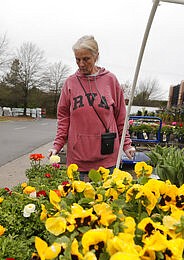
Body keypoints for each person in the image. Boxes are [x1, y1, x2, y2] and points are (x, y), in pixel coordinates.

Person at [48, 35, 135, 180]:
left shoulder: (110, 80)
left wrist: (126, 145)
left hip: (107, 159)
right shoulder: (70, 83)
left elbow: (121, 117)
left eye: (86, 59)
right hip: (78, 159)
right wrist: (57, 145)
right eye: (77, 59)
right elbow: (63, 119)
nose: (81, 64)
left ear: (96, 56)